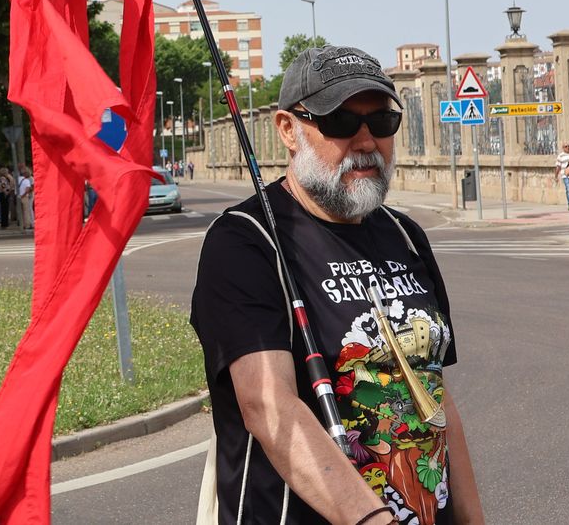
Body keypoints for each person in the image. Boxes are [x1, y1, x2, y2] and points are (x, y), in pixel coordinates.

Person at [191, 45, 483, 524]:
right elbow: (269, 405)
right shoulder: (246, 242)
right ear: (288, 129)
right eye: (342, 122)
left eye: (381, 122)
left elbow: (434, 393)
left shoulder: (406, 236)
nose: (366, 141)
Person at [554, 143, 569, 211]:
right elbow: (558, 167)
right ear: (563, 148)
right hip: (565, 175)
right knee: (568, 188)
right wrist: (556, 176)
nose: (568, 147)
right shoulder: (560, 156)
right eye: (566, 146)